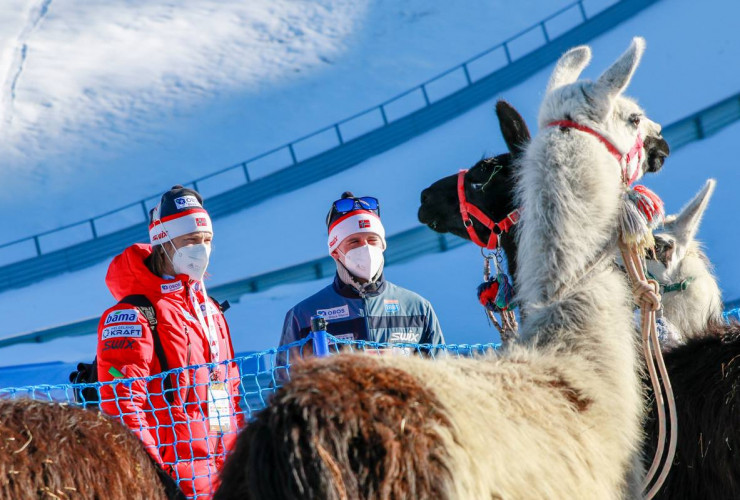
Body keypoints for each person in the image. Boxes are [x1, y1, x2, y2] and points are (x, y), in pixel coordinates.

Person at [96, 185, 243, 499]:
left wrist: (237, 461)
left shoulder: (209, 310)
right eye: (191, 240)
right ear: (163, 241)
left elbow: (227, 391)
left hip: (220, 477)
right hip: (169, 481)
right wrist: (157, 481)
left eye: (207, 241)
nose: (201, 250)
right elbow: (123, 406)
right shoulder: (133, 314)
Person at [278, 192, 445, 371]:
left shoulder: (417, 308)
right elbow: (284, 382)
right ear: (335, 252)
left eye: (372, 240)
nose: (366, 248)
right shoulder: (304, 314)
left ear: (382, 246)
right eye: (354, 242)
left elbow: (440, 376)